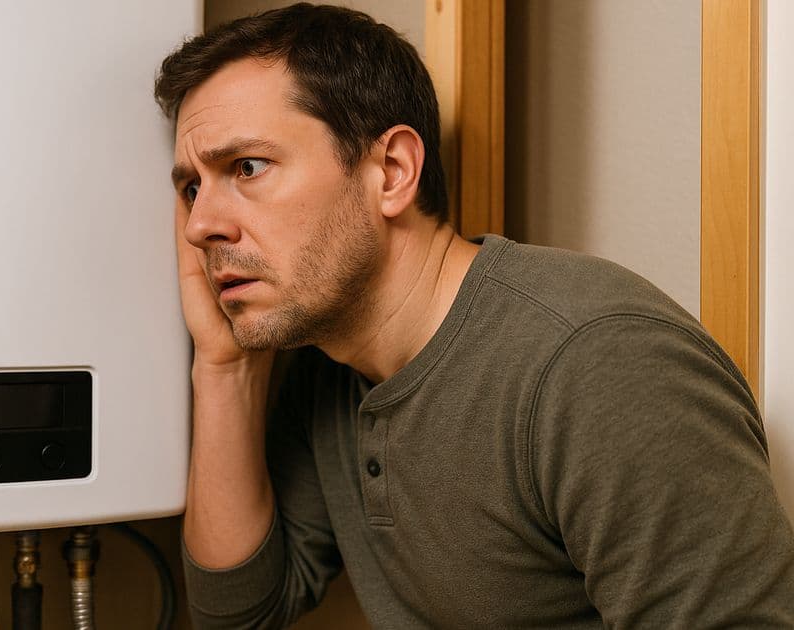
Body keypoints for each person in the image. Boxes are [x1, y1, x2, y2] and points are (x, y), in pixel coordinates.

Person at [153, 3, 794, 628]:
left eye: (248, 167)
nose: (202, 225)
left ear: (393, 172)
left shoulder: (601, 365)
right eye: (191, 188)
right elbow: (241, 611)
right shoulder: (332, 367)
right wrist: (224, 365)